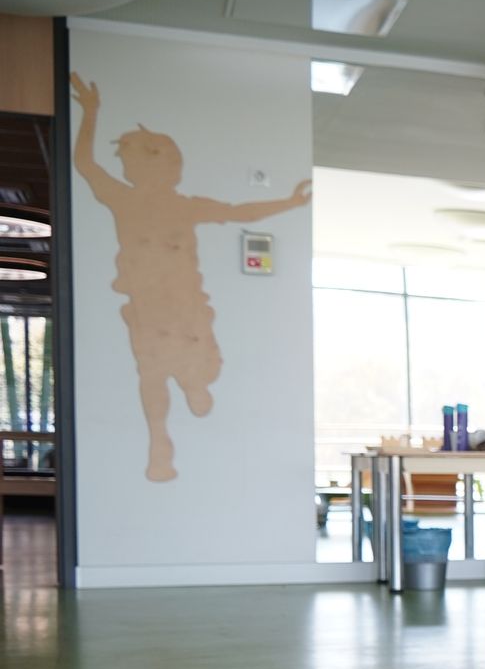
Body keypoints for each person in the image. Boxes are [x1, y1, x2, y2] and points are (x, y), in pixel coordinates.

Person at [70, 73, 312, 481]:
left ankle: (193, 383)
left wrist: (289, 203)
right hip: (146, 307)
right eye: (129, 159)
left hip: (186, 306)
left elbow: (241, 211)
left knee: (198, 365)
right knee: (150, 371)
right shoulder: (123, 201)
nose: (132, 165)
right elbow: (85, 165)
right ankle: (159, 441)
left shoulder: (186, 206)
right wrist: (90, 112)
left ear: (169, 168)